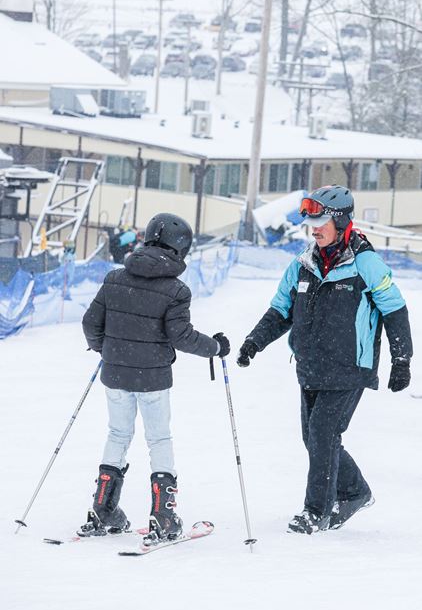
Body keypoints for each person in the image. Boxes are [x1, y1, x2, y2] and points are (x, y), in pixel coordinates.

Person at [237, 185, 413, 534]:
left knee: (322, 433)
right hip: (311, 366)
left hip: (350, 366)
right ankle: (354, 491)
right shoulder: (303, 263)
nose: (314, 228)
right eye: (311, 222)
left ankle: (315, 511)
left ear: (341, 219)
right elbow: (280, 309)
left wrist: (401, 359)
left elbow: (395, 309)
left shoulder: (366, 263)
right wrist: (253, 342)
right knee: (316, 438)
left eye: (321, 221)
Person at [80, 213, 230, 541]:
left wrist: (104, 348)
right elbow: (181, 336)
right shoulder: (176, 290)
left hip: (116, 374)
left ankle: (103, 509)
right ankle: (163, 515)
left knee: (118, 434)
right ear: (180, 249)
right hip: (152, 380)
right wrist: (216, 347)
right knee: (158, 439)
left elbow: (90, 323)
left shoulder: (115, 278)